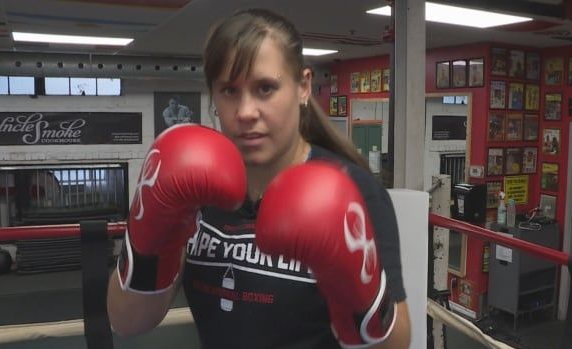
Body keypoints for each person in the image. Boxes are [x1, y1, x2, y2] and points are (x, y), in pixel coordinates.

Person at [107, 8, 410, 349]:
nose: (246, 111)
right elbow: (127, 320)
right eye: (230, 90)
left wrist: (358, 292)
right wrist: (150, 229)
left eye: (265, 88)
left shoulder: (353, 190)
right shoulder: (195, 190)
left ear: (304, 87)